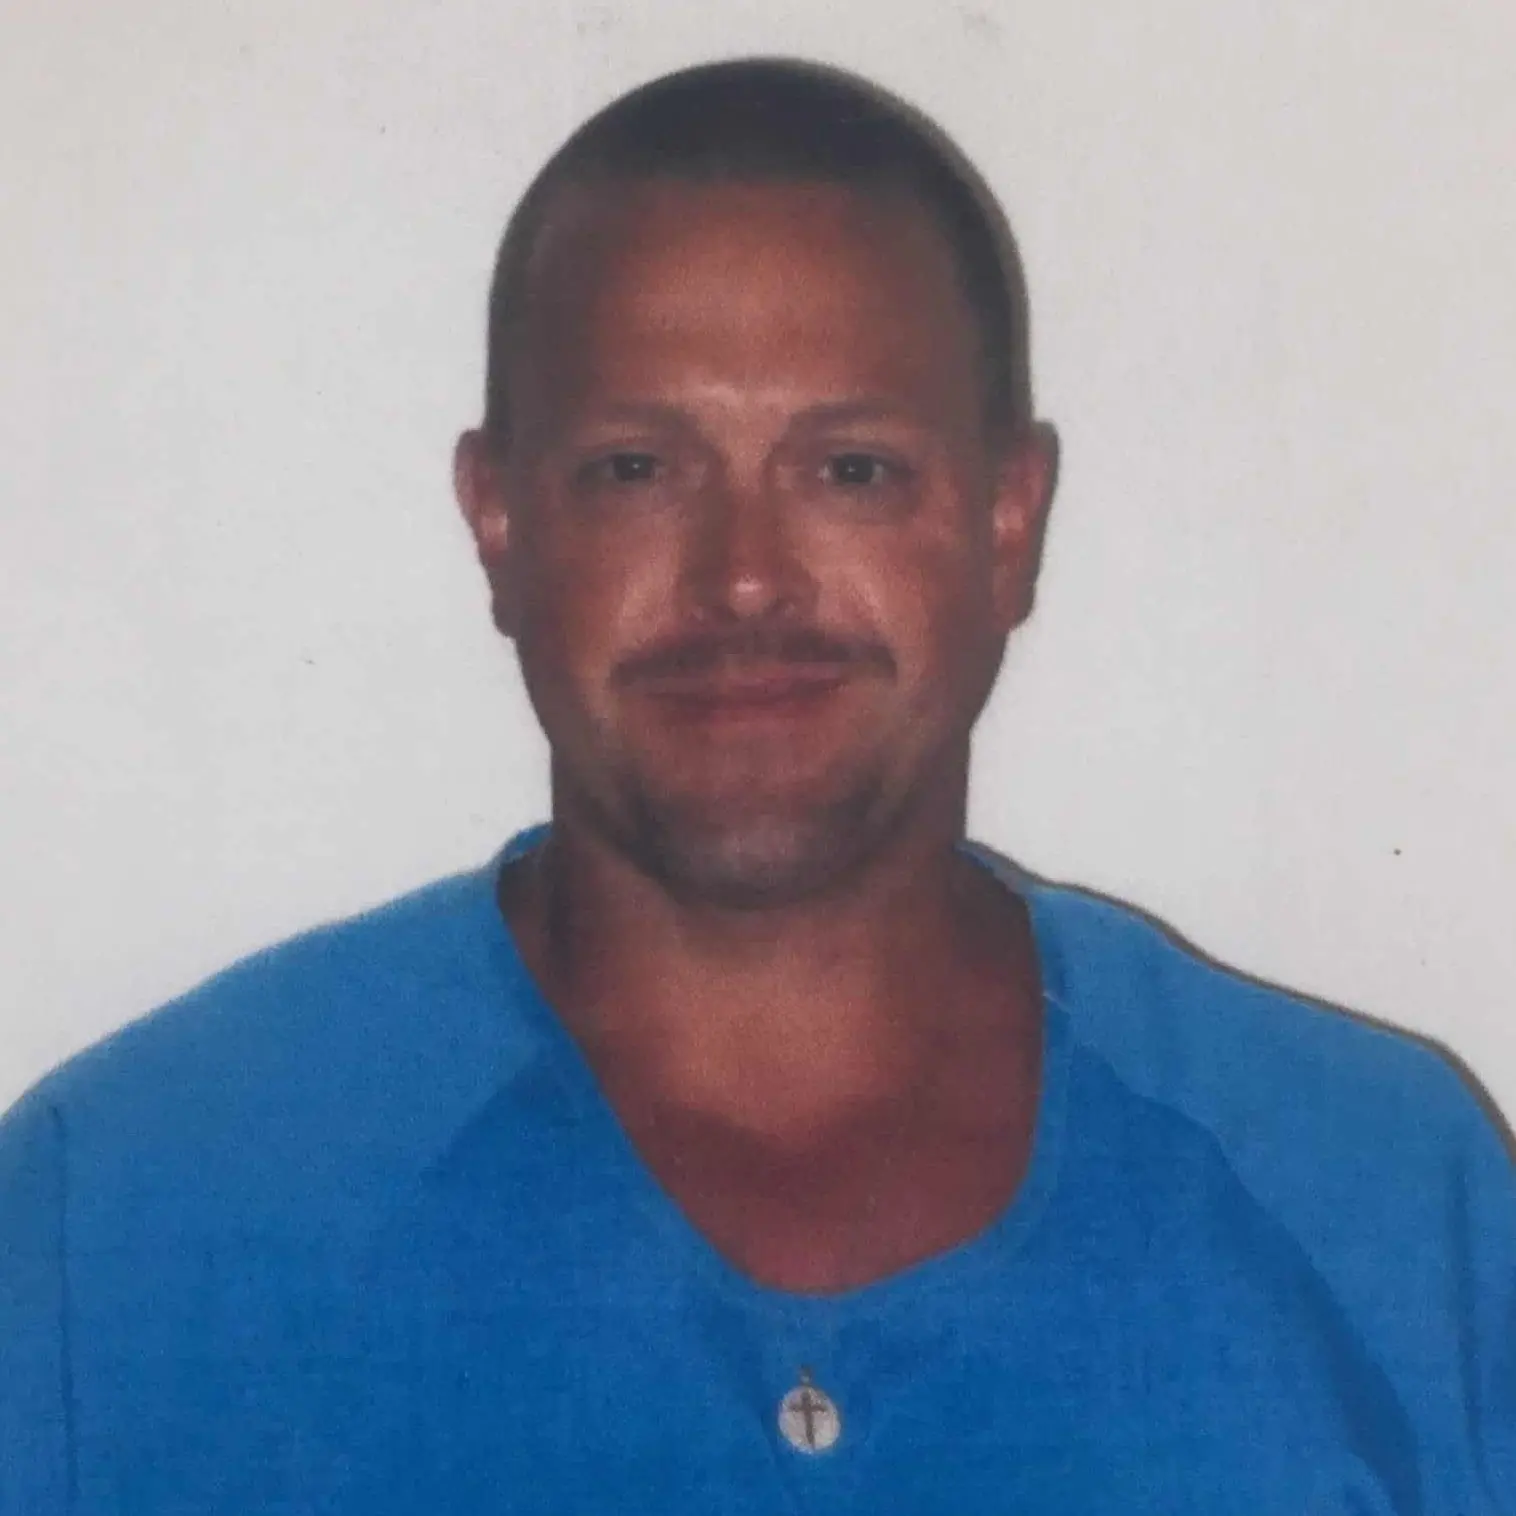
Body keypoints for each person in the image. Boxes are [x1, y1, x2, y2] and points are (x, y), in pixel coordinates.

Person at [1, 57, 1511, 1515]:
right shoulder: (128, 1224)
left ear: (1006, 522)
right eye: (634, 470)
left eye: (849, 469)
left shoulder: (1383, 1202)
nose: (740, 579)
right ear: (498, 521)